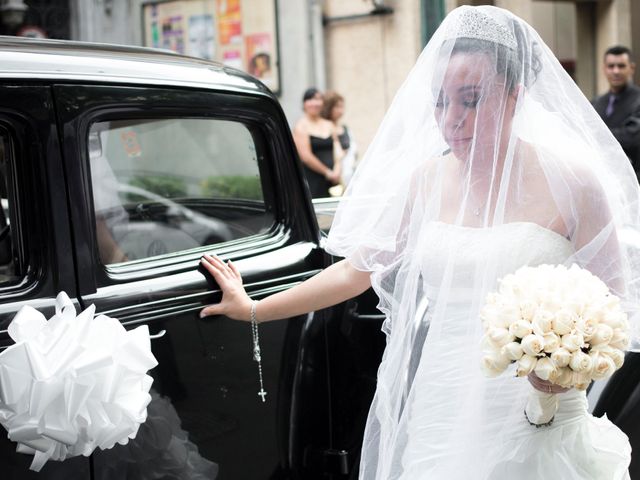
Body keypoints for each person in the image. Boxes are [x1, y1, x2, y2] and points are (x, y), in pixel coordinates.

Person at [201, 6, 639, 479]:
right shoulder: (425, 182)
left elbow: (616, 301)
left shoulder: (575, 184)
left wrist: (567, 369)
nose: (451, 120)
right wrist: (254, 307)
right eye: (440, 101)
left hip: (535, 402)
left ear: (515, 95)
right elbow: (355, 270)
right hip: (441, 394)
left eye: (470, 100)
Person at [592, 45, 640, 179]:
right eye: (611, 66)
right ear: (604, 69)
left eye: (621, 66)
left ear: (632, 68)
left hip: (632, 181)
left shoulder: (638, 100)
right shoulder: (595, 103)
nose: (616, 71)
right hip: (601, 179)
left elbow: (632, 137)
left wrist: (596, 134)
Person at [293, 88, 343, 198]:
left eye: (318, 99)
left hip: (334, 180)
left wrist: (337, 169)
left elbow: (337, 148)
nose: (315, 103)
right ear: (304, 104)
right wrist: (327, 172)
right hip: (312, 180)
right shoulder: (301, 126)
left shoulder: (329, 124)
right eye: (311, 99)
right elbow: (305, 157)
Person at [321, 91, 358, 187]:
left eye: (342, 107)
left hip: (347, 175)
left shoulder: (345, 128)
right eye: (337, 107)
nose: (341, 110)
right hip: (329, 179)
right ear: (328, 107)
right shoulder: (323, 129)